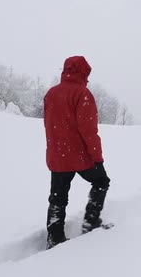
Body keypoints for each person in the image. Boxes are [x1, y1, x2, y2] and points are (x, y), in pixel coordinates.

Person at [43, 56, 110, 249]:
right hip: (79, 156)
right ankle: (91, 222)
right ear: (83, 73)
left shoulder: (51, 93)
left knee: (58, 196)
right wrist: (97, 158)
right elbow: (89, 131)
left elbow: (49, 125)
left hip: (57, 156)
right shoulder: (83, 94)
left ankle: (54, 237)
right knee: (101, 182)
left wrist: (55, 150)